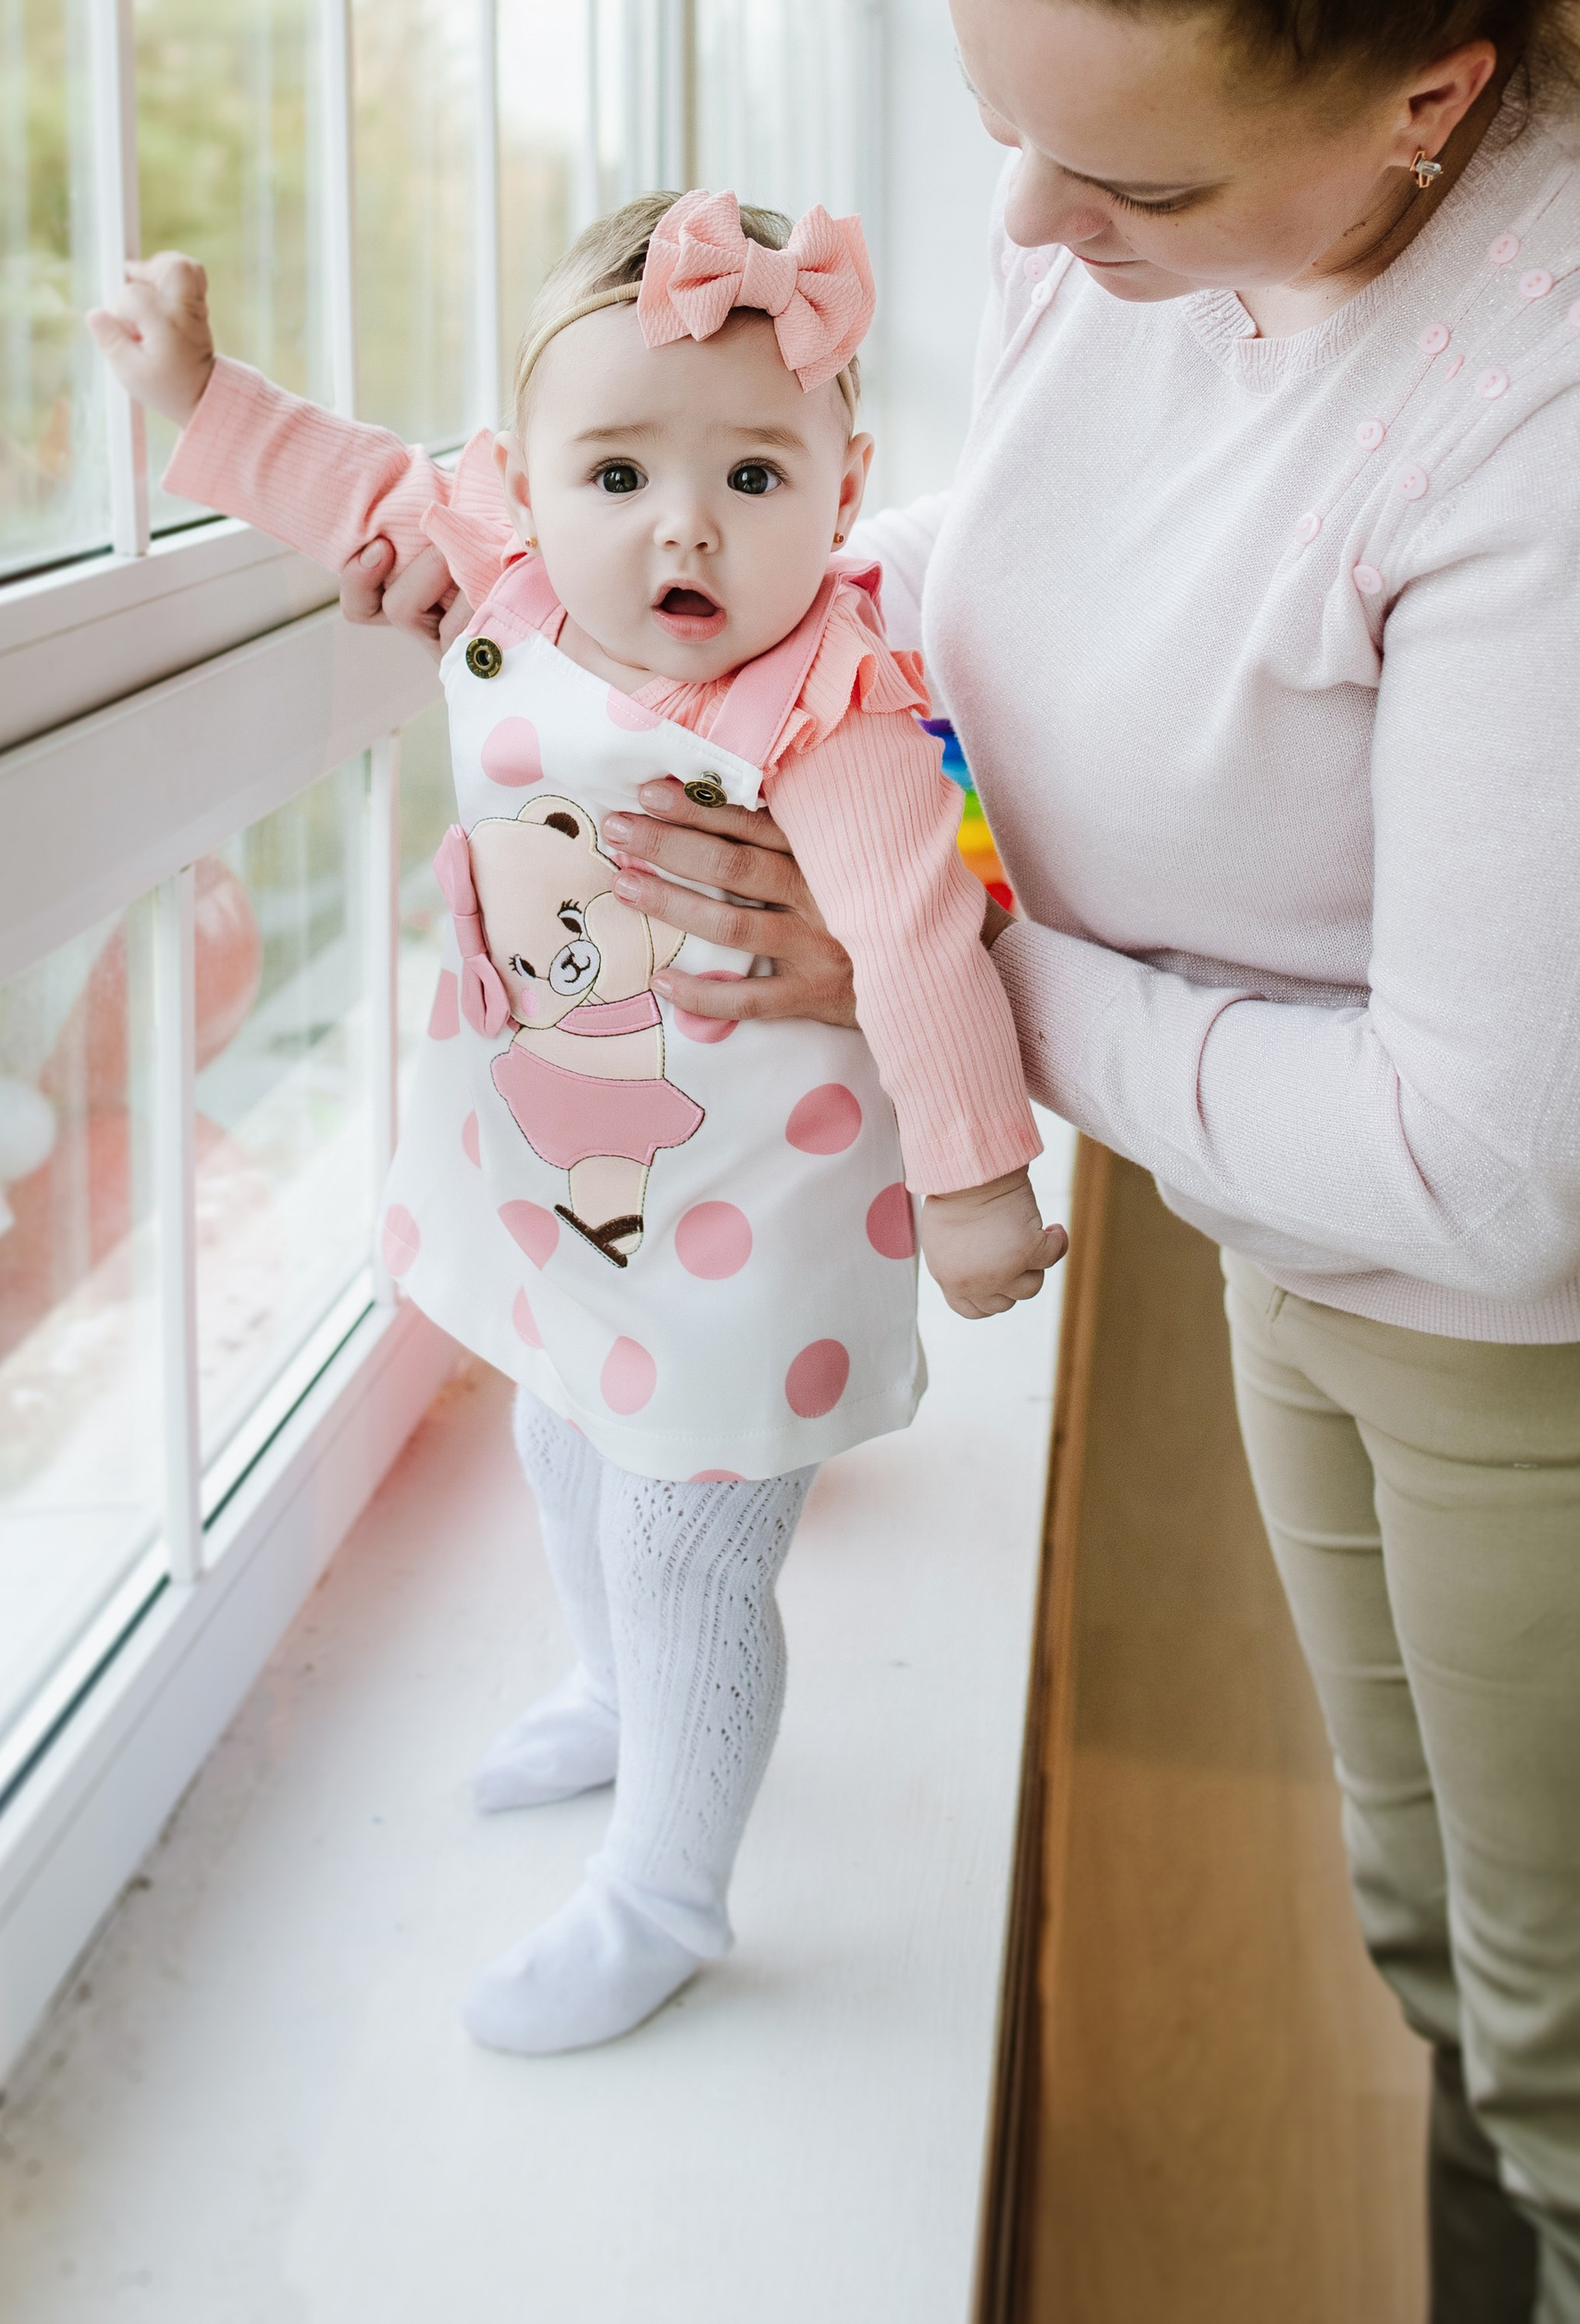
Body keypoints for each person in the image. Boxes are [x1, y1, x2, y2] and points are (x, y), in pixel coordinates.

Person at [341, 0, 1580, 2319]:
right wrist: (591, 577)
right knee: (1458, 1953)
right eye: (1009, 134)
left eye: (1128, 191)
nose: (1024, 238)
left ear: (1435, 93)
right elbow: (1037, 535)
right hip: (1290, 1172)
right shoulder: (1222, 148)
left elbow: (1493, 1162)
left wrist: (926, 961)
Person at [88, 191, 1061, 2060]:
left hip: (754, 1221)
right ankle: (617, 1692)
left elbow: (925, 946)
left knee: (689, 1540)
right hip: (568, 1171)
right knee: (553, 1440)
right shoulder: (514, 581)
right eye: (616, 470)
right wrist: (202, 393)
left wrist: (975, 1189)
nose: (681, 522)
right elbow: (352, 485)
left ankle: (668, 1890)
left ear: (843, 486)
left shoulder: (837, 710)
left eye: (750, 474)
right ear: (524, 481)